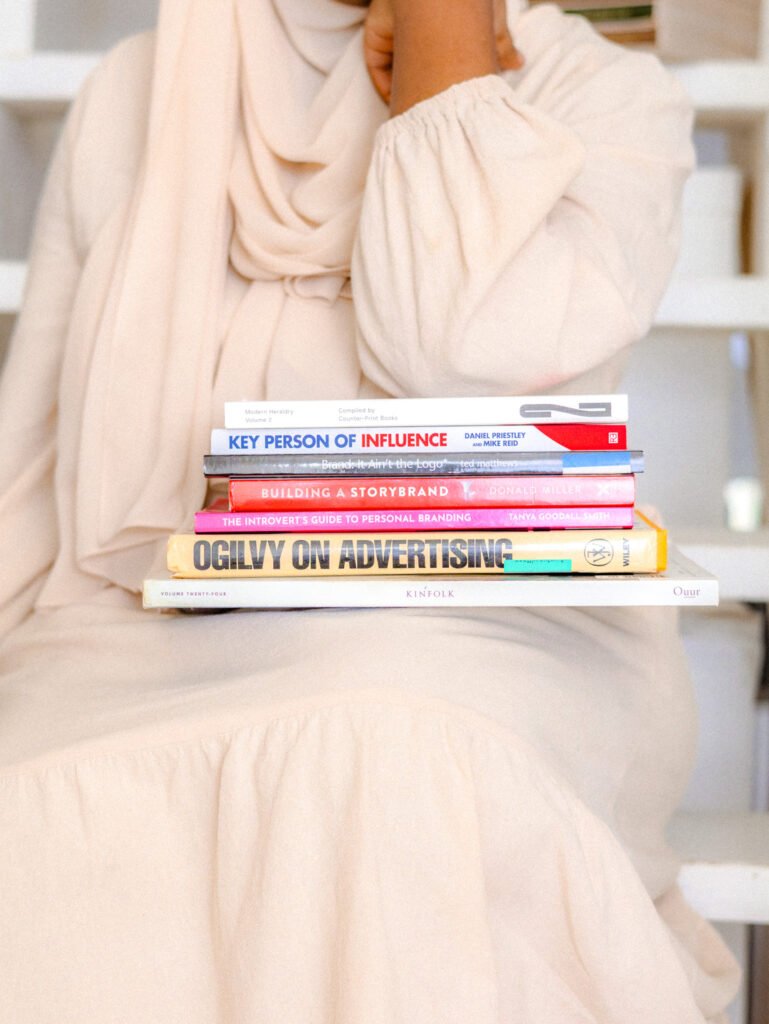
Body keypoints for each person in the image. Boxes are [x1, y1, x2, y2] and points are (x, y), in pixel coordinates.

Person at [0, 0, 741, 1020]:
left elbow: (450, 356)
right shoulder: (138, 84)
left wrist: (446, 36)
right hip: (135, 625)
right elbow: (31, 464)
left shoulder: (605, 94)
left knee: (394, 751)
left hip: (480, 629)